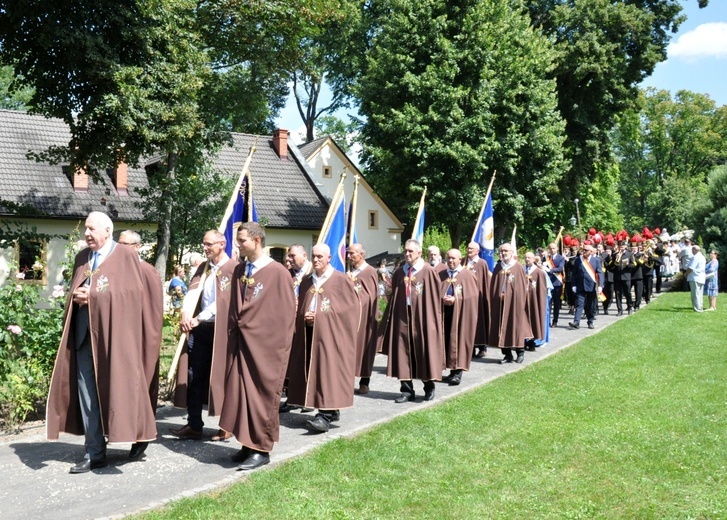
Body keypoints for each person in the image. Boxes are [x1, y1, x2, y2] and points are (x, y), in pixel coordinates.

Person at [46, 212, 157, 473]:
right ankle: (94, 451)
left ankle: (137, 434)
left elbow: (132, 295)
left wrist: (93, 296)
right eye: (85, 228)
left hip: (115, 337)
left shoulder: (125, 256)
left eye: (92, 229)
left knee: (121, 389)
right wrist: (78, 295)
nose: (87, 233)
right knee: (87, 394)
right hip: (85, 336)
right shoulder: (82, 258)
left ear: (108, 230)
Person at [218, 222, 296, 470]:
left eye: (242, 240)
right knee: (241, 394)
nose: (238, 245)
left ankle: (261, 449)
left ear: (257, 240)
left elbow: (284, 315)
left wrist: (261, 335)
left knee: (262, 396)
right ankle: (247, 443)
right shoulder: (241, 269)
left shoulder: (277, 273)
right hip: (242, 345)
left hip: (265, 348)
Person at [171, 230, 238, 441]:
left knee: (223, 376)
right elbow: (192, 293)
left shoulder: (234, 269)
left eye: (209, 244)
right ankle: (194, 424)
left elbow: (223, 302)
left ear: (222, 244)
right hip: (200, 331)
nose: (205, 248)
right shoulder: (204, 267)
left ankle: (226, 425)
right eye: (204, 244)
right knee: (194, 376)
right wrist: (185, 314)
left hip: (222, 331)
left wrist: (199, 317)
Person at [285, 244, 360, 433]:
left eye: (320, 256)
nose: (316, 259)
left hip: (331, 336)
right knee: (312, 371)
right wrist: (304, 316)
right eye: (314, 256)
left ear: (329, 258)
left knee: (328, 372)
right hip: (308, 333)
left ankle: (324, 415)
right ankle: (329, 409)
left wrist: (318, 316)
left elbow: (349, 311)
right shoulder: (307, 281)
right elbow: (301, 306)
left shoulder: (341, 280)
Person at [118, 230, 164, 459]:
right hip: (121, 340)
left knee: (140, 387)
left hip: (140, 340)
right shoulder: (117, 268)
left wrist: (148, 342)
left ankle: (141, 437)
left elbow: (153, 313)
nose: (121, 248)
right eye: (119, 244)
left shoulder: (147, 271)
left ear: (137, 247)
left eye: (125, 244)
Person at [380, 239, 443, 402]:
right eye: (405, 251)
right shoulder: (400, 272)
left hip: (422, 316)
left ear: (419, 253)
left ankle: (428, 386)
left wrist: (433, 320)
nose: (407, 254)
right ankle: (406, 390)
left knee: (423, 350)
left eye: (410, 251)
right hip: (402, 315)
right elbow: (393, 295)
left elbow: (435, 297)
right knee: (402, 352)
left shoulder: (428, 271)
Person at [439, 249, 478, 385]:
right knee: (446, 341)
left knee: (458, 341)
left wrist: (456, 299)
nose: (450, 261)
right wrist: (442, 298)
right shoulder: (442, 274)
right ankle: (449, 371)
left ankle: (457, 373)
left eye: (453, 258)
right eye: (448, 258)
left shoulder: (467, 275)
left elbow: (472, 296)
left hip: (461, 315)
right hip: (444, 313)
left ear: (459, 259)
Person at [488, 243, 532, 364]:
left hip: (514, 304)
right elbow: (494, 286)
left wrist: (508, 296)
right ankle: (507, 354)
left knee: (516, 327)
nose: (503, 253)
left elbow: (522, 288)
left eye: (505, 251)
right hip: (500, 304)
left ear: (512, 252)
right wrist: (497, 296)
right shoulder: (498, 267)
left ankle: (520, 352)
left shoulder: (518, 267)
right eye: (501, 251)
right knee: (501, 328)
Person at [347, 244, 380, 395]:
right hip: (349, 318)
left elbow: (369, 297)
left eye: (352, 253)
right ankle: (347, 381)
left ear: (361, 255)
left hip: (365, 318)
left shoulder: (369, 272)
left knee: (364, 349)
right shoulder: (349, 272)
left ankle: (364, 382)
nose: (349, 256)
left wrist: (352, 286)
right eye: (348, 253)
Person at [464, 241, 491, 358]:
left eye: (471, 249)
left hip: (478, 297)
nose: (469, 250)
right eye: (468, 248)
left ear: (477, 251)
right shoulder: (463, 262)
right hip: (466, 298)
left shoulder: (481, 263)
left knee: (479, 322)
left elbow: (484, 281)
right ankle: (471, 348)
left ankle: (482, 347)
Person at [568, 245, 604, 330]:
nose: (584, 251)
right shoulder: (578, 260)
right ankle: (576, 322)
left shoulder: (596, 260)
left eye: (586, 250)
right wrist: (573, 285)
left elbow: (600, 273)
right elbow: (574, 274)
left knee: (590, 306)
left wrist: (600, 285)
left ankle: (590, 321)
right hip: (580, 286)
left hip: (591, 287)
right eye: (583, 250)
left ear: (591, 252)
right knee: (579, 304)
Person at [524, 251, 548, 349]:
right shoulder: (522, 270)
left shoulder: (539, 272)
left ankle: (533, 340)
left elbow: (542, 289)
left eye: (529, 257)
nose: (527, 259)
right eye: (525, 257)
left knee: (534, 318)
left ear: (534, 259)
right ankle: (525, 339)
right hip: (524, 300)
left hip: (534, 300)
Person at [608, 239, 634, 316]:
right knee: (617, 294)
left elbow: (633, 265)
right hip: (617, 277)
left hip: (626, 276)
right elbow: (611, 266)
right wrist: (616, 259)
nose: (621, 248)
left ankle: (629, 307)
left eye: (622, 246)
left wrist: (628, 265)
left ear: (625, 246)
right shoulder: (615, 254)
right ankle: (620, 310)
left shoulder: (629, 254)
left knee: (628, 293)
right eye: (620, 246)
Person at [543, 242, 565, 326]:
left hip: (557, 283)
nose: (552, 250)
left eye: (554, 248)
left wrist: (550, 270)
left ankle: (555, 320)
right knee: (548, 303)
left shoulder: (561, 258)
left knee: (556, 303)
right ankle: (547, 320)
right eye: (550, 248)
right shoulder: (546, 258)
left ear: (557, 249)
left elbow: (560, 268)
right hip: (548, 283)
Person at [685, 245, 706, 312]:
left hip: (695, 277)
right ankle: (700, 306)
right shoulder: (702, 257)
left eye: (692, 250)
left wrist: (686, 273)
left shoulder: (695, 257)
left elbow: (691, 268)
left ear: (694, 250)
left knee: (695, 294)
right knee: (699, 294)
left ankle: (697, 308)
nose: (692, 252)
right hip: (701, 277)